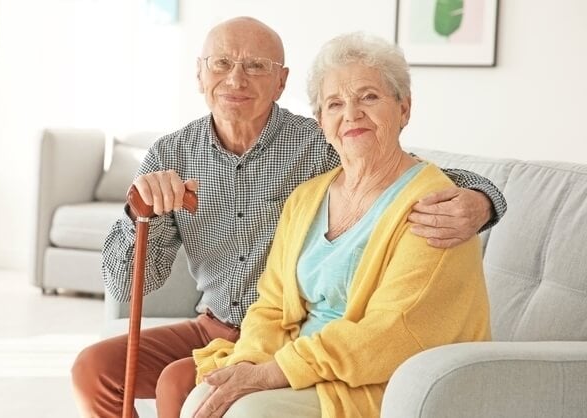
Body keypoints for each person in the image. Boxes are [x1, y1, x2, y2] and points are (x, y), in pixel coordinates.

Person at [71, 17, 504, 418]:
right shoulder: (171, 155)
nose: (236, 79)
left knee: (181, 383)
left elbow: (399, 172)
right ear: (199, 74)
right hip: (221, 324)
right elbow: (127, 285)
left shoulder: (321, 140)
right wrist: (139, 214)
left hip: (297, 329)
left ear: (281, 82)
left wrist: (482, 199)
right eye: (221, 63)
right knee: (94, 371)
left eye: (256, 66)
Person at [180, 31, 491, 418]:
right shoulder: (308, 197)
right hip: (302, 365)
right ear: (321, 122)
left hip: (377, 381)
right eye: (335, 104)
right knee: (200, 400)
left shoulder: (435, 205)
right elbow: (272, 304)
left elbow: (390, 332)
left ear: (404, 109)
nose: (352, 114)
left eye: (369, 97)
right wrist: (249, 362)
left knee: (248, 413)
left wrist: (272, 373)